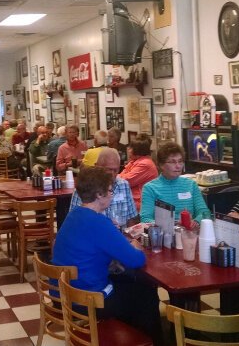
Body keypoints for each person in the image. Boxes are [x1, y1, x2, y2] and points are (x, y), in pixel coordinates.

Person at [52, 166, 161, 345]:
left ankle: (126, 334)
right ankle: (145, 341)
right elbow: (136, 260)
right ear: (99, 195)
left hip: (65, 292)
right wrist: (135, 246)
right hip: (88, 299)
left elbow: (88, 252)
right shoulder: (100, 223)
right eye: (110, 190)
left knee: (128, 284)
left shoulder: (73, 215)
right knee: (145, 293)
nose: (112, 194)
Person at [140, 142, 210, 225]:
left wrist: (196, 221)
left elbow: (204, 212)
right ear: (161, 165)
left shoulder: (191, 185)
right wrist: (170, 226)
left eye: (180, 161)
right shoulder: (150, 188)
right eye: (172, 162)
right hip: (164, 234)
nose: (178, 166)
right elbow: (145, 218)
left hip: (190, 232)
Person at [70, 148, 138, 227]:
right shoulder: (84, 189)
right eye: (108, 169)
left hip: (120, 234)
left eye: (115, 170)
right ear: (97, 166)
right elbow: (74, 223)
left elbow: (131, 219)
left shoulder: (124, 185)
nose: (112, 174)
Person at [118, 133, 158, 211]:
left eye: (130, 147)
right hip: (132, 201)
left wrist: (116, 176)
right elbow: (121, 176)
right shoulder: (134, 161)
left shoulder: (145, 164)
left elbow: (125, 181)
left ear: (137, 150)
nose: (128, 150)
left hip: (140, 205)